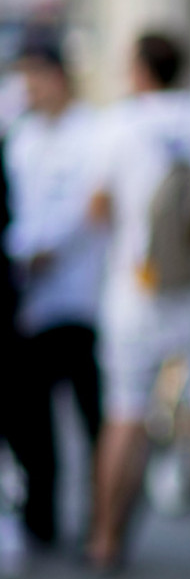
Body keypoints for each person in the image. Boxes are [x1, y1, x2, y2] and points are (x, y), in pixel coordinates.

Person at [87, 30, 190, 573]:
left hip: (137, 289)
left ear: (139, 71)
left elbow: (97, 208)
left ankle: (105, 541)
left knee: (125, 413)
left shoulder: (117, 124)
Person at [2, 35, 106, 549]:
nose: (29, 87)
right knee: (33, 422)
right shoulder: (22, 136)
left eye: (35, 76)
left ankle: (103, 523)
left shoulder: (96, 133)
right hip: (33, 303)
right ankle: (40, 520)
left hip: (86, 301)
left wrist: (46, 248)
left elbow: (92, 207)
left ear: (59, 76)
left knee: (95, 421)